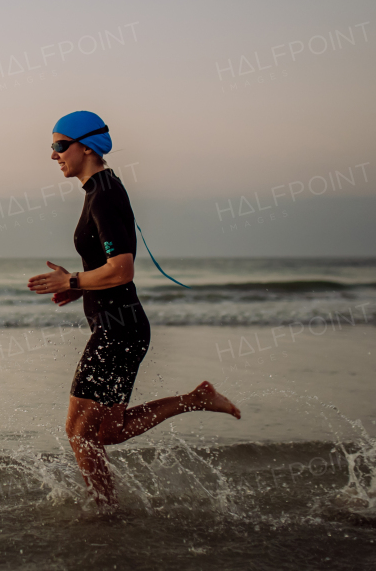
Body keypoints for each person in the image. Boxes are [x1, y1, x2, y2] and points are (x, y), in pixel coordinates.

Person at [27, 110, 241, 509]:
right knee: (105, 430)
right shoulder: (100, 189)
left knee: (80, 432)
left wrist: (73, 281)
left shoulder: (104, 194)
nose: (54, 155)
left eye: (59, 146)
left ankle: (104, 512)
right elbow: (108, 268)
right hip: (119, 324)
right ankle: (196, 399)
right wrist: (80, 287)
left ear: (86, 146)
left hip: (117, 328)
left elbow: (121, 269)